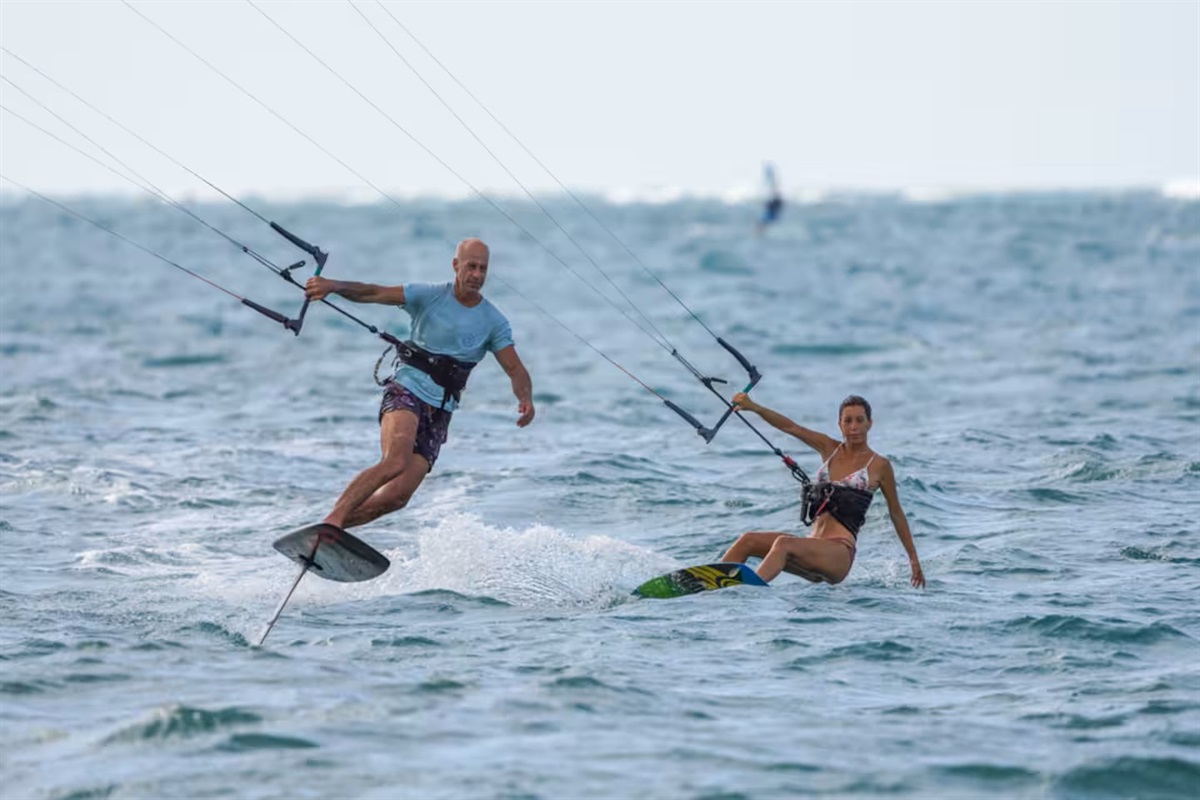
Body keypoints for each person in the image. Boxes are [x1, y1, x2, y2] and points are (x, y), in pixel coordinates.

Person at [303, 238, 534, 530]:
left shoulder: (494, 321)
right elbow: (373, 292)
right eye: (471, 266)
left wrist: (526, 399)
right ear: (456, 266)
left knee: (398, 497)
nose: (477, 275)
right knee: (394, 462)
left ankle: (329, 531)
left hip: (440, 411)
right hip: (407, 391)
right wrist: (333, 286)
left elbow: (515, 368)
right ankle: (333, 520)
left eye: (483, 269)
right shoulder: (429, 295)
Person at [720, 392, 925, 588]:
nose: (853, 427)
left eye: (859, 420)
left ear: (869, 423)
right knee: (747, 540)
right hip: (812, 548)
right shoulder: (829, 448)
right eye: (848, 421)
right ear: (839, 425)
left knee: (783, 544)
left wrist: (913, 559)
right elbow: (791, 427)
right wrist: (754, 407)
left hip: (839, 554)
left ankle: (749, 592)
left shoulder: (879, 465)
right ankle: (709, 585)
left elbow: (896, 513)